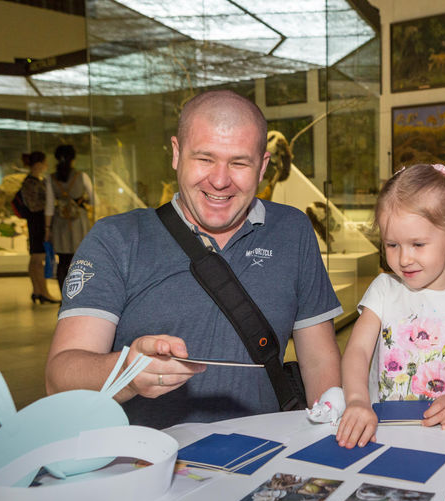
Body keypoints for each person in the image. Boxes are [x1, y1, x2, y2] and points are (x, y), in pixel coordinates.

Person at [45, 90, 342, 429]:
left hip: (265, 457)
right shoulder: (117, 238)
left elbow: (319, 361)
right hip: (148, 463)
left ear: (262, 167)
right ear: (176, 154)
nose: (219, 180)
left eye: (239, 163)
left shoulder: (292, 230)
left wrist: (328, 431)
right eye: (205, 158)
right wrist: (127, 372)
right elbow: (59, 380)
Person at [335, 163, 445, 448]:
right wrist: (356, 401)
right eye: (392, 245)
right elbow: (357, 352)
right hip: (381, 435)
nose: (403, 259)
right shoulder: (384, 289)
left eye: (417, 244)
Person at [45, 144, 94, 291]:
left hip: (60, 224)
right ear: (73, 159)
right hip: (79, 222)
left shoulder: (51, 179)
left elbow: (49, 206)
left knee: (63, 262)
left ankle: (64, 298)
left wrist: (47, 228)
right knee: (81, 261)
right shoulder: (82, 176)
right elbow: (93, 200)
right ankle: (79, 295)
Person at [19, 151, 58, 304]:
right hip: (38, 223)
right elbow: (34, 205)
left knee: (35, 258)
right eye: (45, 162)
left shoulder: (34, 181)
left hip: (35, 223)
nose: (46, 165)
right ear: (38, 164)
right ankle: (43, 292)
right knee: (38, 258)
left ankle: (38, 291)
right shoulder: (31, 182)